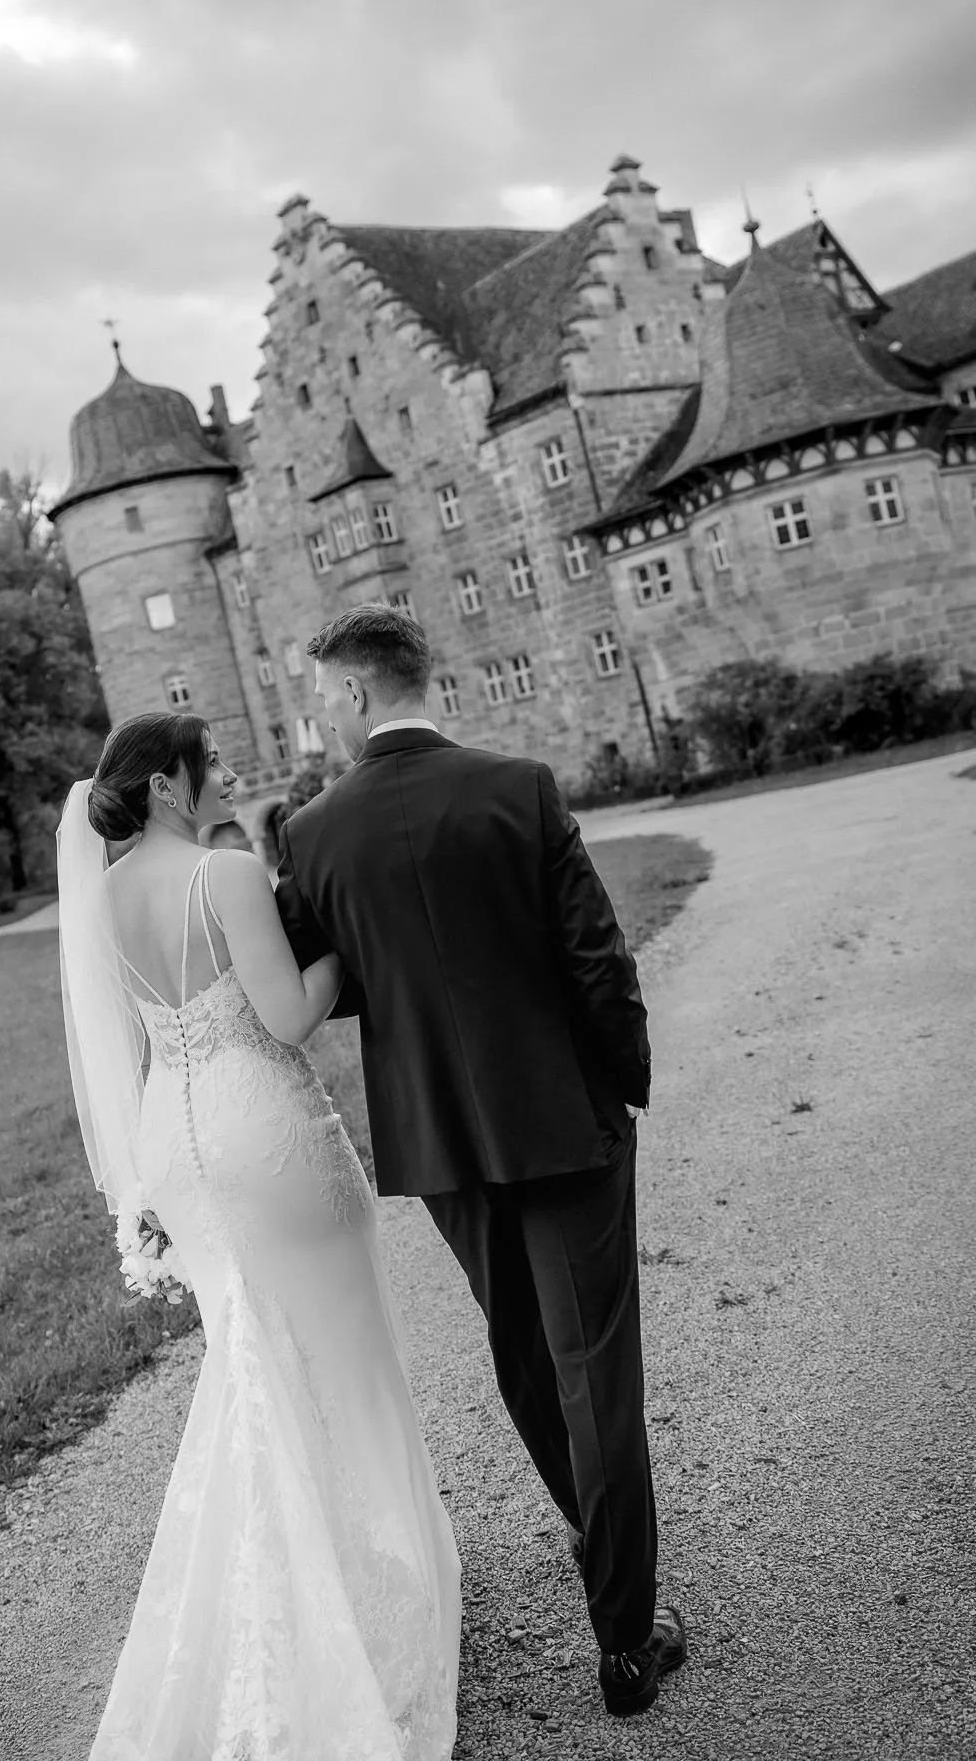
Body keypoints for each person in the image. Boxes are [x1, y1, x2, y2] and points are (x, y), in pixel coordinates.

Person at [274, 605, 687, 1719]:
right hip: (563, 1122)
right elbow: (594, 956)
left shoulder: (312, 838)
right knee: (594, 1368)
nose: (318, 715)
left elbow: (330, 987)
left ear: (358, 694)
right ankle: (625, 1635)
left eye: (321, 695)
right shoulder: (521, 787)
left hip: (443, 1143)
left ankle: (609, 1558)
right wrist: (625, 1082)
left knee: (522, 1359)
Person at [56, 711, 460, 1761]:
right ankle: (384, 1587)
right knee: (341, 1352)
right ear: (163, 787)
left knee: (251, 1358)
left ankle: (275, 1591)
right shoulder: (222, 875)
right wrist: (337, 941)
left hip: (177, 1147)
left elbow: (128, 1039)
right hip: (264, 1129)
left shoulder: (98, 899)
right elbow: (286, 1018)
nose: (231, 775)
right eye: (214, 765)